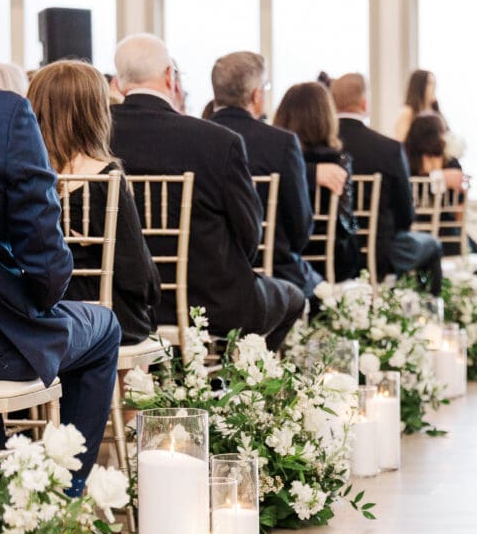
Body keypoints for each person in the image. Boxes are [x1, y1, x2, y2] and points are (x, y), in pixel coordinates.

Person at [110, 34, 305, 349]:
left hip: (127, 306)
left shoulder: (97, 137)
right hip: (213, 302)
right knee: (294, 297)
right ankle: (242, 376)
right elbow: (249, 234)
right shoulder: (217, 141)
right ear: (170, 76)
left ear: (119, 83)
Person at [0, 85, 120, 495]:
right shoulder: (4, 114)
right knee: (105, 327)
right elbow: (46, 263)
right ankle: (59, 499)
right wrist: (40, 298)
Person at [27, 60, 162, 345]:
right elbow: (138, 277)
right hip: (98, 316)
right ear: (94, 114)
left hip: (31, 315)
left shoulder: (19, 175)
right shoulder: (104, 178)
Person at [209, 52, 324, 300]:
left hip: (210, 273)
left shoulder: (196, 139)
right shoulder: (282, 143)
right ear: (256, 95)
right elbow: (300, 229)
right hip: (274, 273)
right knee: (324, 290)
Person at [331, 73, 443, 294]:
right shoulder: (388, 149)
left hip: (332, 250)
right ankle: (424, 311)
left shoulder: (318, 148)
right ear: (364, 104)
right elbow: (406, 213)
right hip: (381, 252)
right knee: (432, 245)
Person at [273, 81, 359, 283]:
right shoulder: (337, 160)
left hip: (284, 253)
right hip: (331, 259)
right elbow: (345, 225)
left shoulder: (276, 158)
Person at [404, 113, 477, 256]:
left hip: (412, 233)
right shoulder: (451, 165)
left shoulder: (406, 163)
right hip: (448, 236)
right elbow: (459, 208)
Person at [395, 69, 442, 141]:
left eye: (434, 83)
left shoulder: (435, 110)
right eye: (430, 83)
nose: (434, 87)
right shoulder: (408, 112)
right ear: (419, 86)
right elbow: (401, 140)